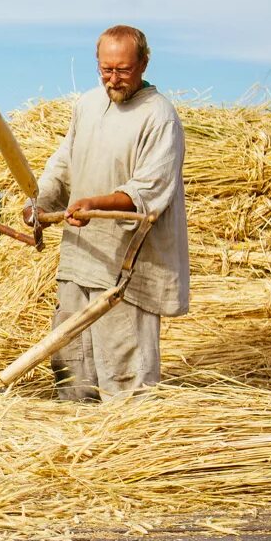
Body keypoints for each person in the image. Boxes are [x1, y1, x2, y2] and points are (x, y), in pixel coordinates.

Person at [25, 25, 189, 402]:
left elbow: (149, 190)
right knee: (72, 363)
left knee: (125, 372)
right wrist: (41, 201)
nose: (113, 79)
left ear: (144, 63)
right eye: (105, 69)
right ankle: (75, 445)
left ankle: (127, 450)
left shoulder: (159, 117)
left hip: (127, 269)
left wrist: (95, 204)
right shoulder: (86, 105)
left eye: (123, 70)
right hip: (80, 257)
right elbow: (64, 163)